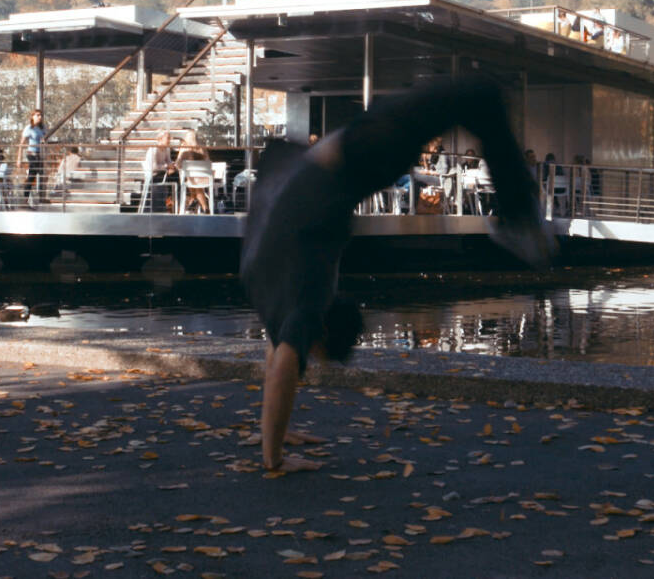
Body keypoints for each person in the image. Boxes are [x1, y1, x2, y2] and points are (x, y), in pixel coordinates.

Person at [241, 78, 553, 473]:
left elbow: (281, 363)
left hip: (348, 161)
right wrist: (275, 454)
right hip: (327, 168)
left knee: (477, 96)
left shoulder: (304, 301)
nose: (306, 360)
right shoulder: (297, 300)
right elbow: (282, 361)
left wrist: (274, 450)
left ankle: (518, 218)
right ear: (321, 331)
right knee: (478, 97)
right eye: (314, 355)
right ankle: (519, 217)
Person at [176, 129, 211, 214]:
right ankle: (205, 208)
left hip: (190, 180)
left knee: (193, 183)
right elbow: (209, 163)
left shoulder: (184, 150)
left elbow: (178, 164)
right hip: (204, 179)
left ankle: (193, 201)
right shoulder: (203, 149)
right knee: (198, 187)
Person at [144, 130, 177, 211]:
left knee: (177, 175)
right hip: (153, 175)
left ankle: (175, 203)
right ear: (160, 139)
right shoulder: (154, 149)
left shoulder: (167, 149)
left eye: (169, 138)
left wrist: (172, 166)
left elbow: (168, 161)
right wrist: (166, 167)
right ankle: (171, 204)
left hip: (162, 173)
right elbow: (154, 167)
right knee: (176, 178)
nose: (169, 140)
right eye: (167, 138)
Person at [19, 109, 47, 203]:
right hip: (31, 154)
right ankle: (25, 199)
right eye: (37, 115)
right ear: (32, 116)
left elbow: (44, 139)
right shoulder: (29, 128)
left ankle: (41, 196)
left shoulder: (42, 128)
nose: (40, 117)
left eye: (41, 115)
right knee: (32, 175)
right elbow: (22, 143)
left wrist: (44, 141)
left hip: (39, 155)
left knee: (41, 174)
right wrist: (19, 158)